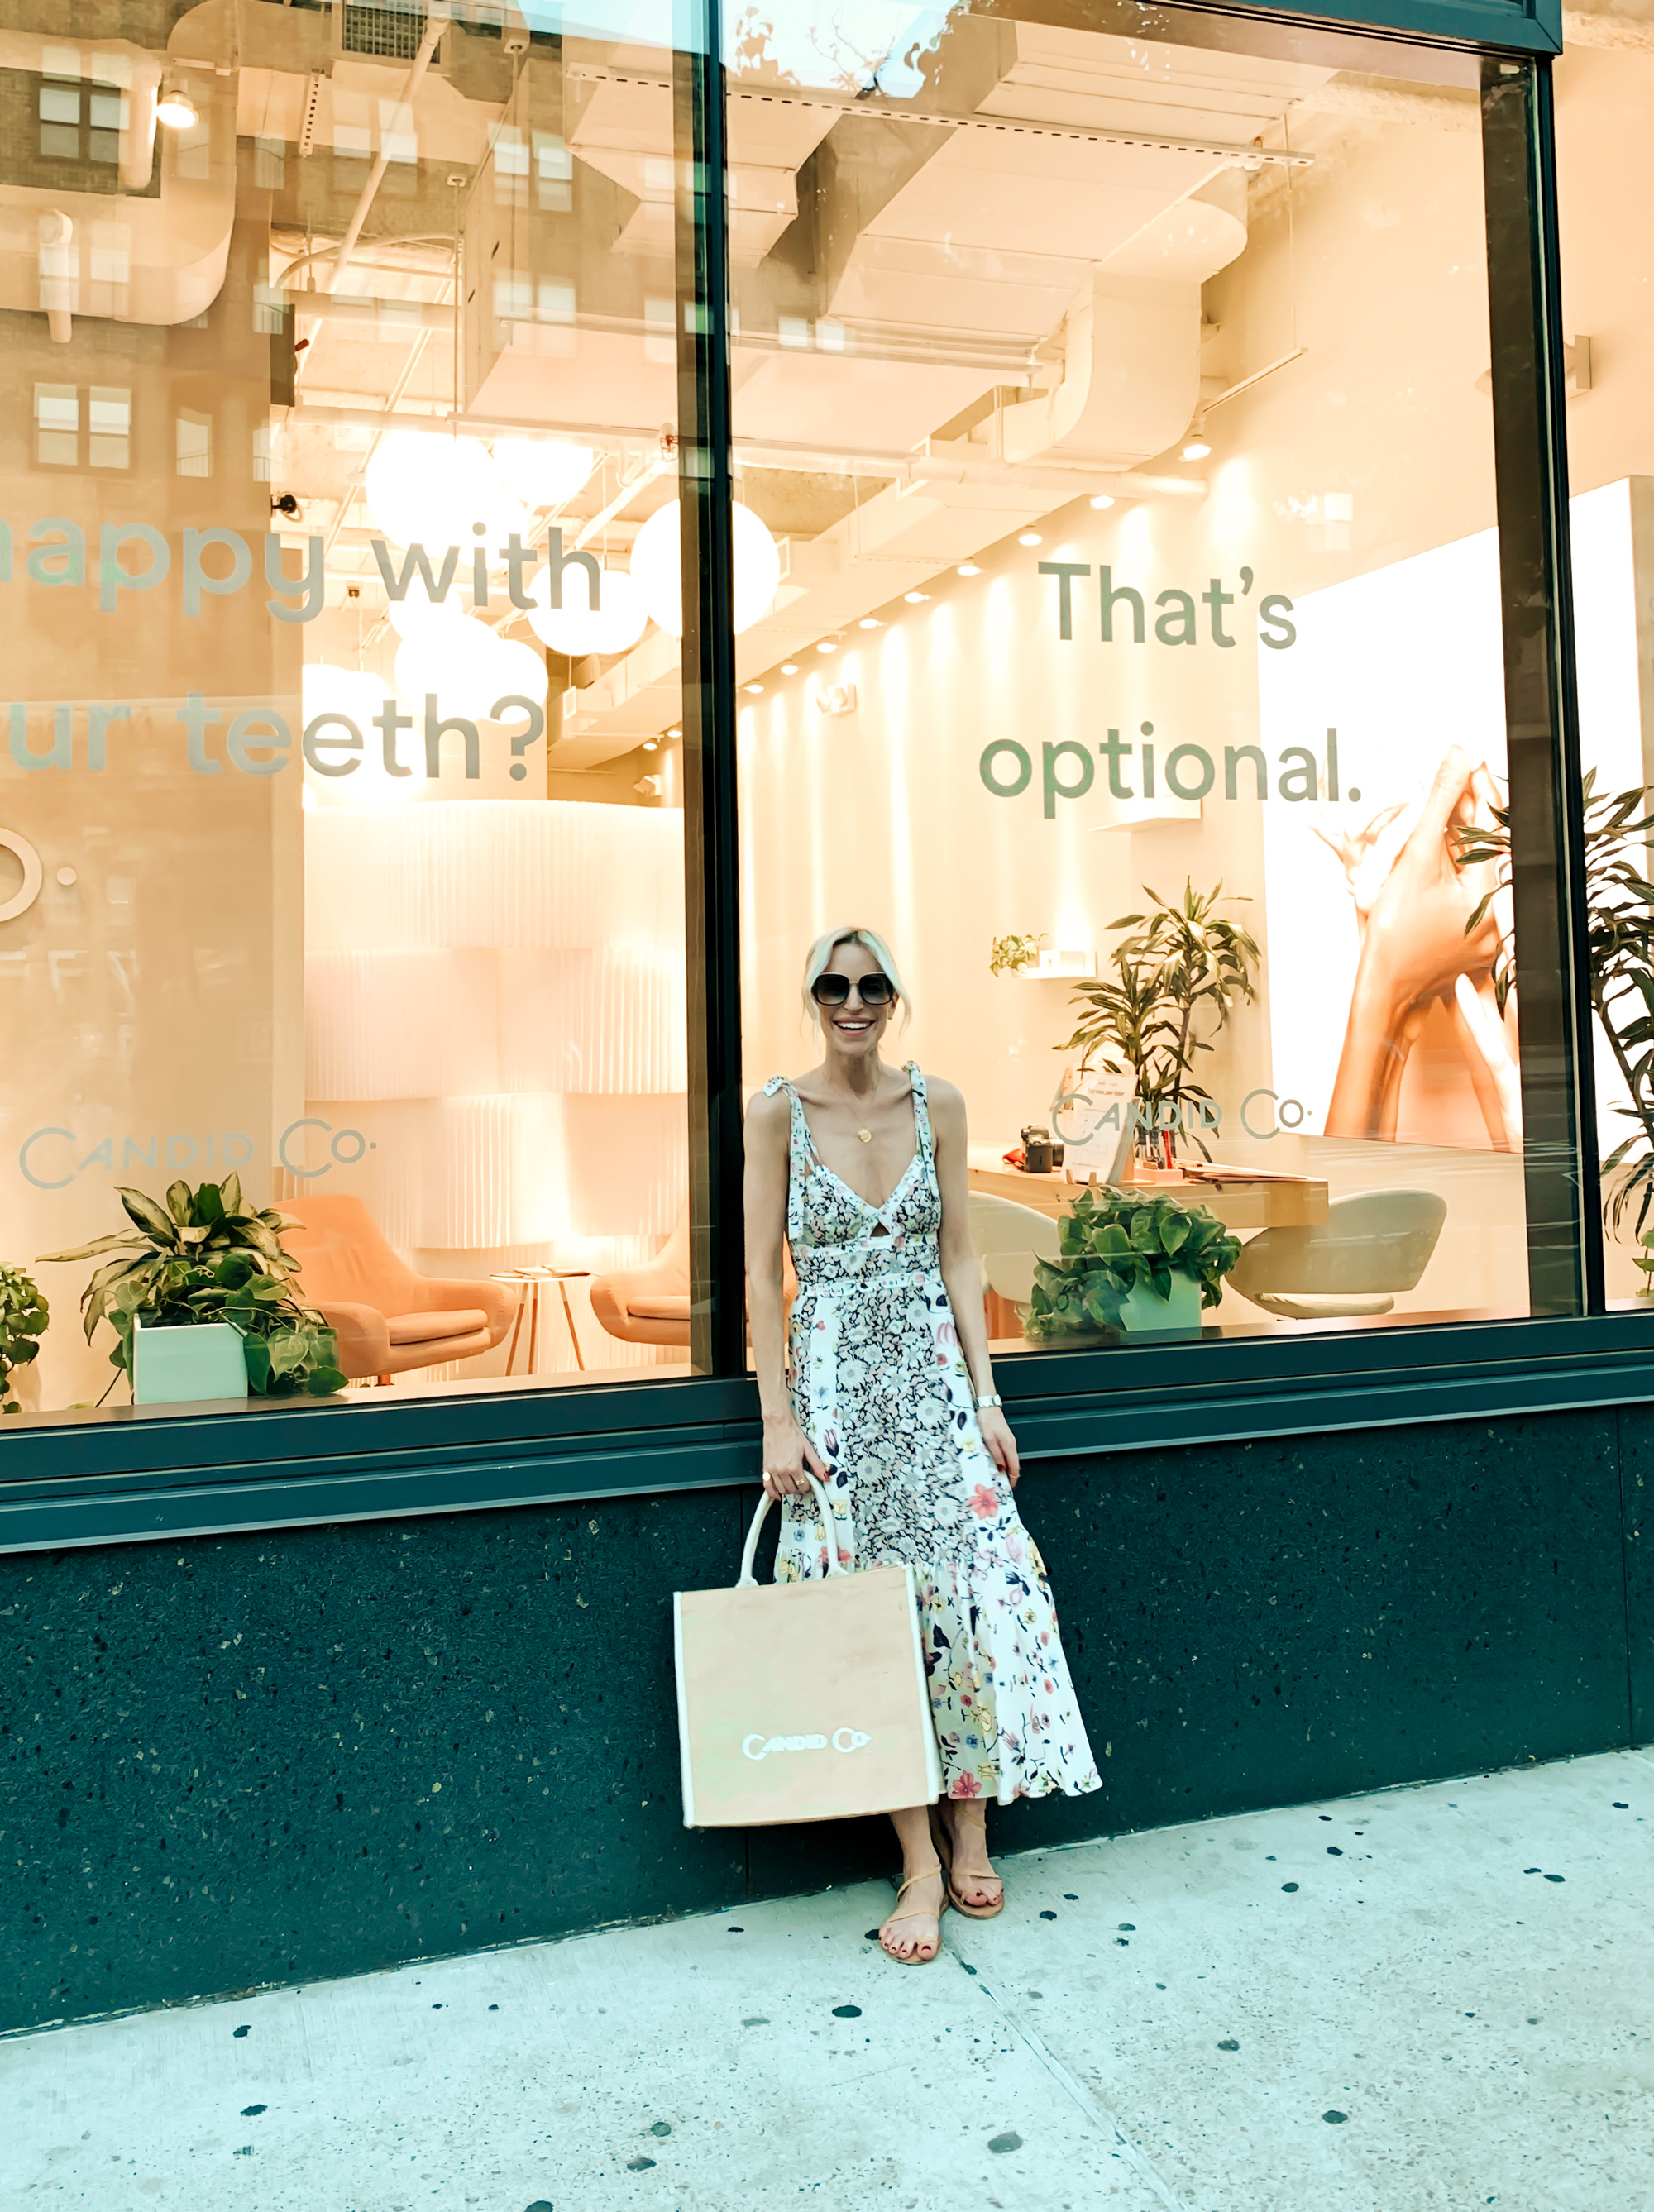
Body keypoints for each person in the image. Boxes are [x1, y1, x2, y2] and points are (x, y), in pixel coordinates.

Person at [744, 926, 1101, 1966]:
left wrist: (987, 1396)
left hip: (936, 1390)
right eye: (832, 983)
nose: (851, 999)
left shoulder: (935, 1100)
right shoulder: (777, 1110)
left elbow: (961, 1251)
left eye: (870, 984)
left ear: (894, 995)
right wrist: (778, 1415)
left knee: (969, 1600)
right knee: (871, 1615)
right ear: (811, 995)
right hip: (837, 1394)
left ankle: (974, 1825)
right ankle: (917, 1858)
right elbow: (765, 1277)